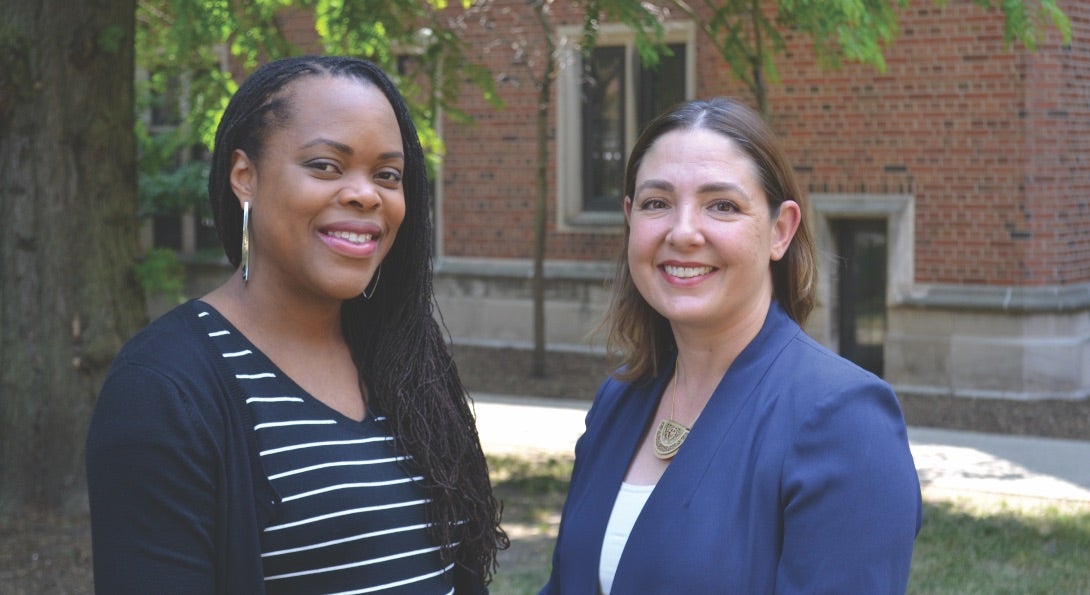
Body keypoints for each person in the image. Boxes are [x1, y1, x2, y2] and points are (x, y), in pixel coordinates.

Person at [86, 55, 507, 594]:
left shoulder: (407, 364)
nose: (366, 193)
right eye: (326, 166)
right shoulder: (162, 389)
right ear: (246, 177)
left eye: (387, 174)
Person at [541, 97, 922, 594]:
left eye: (721, 205)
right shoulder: (618, 402)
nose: (683, 233)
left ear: (780, 231)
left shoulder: (845, 421)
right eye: (657, 203)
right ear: (630, 220)